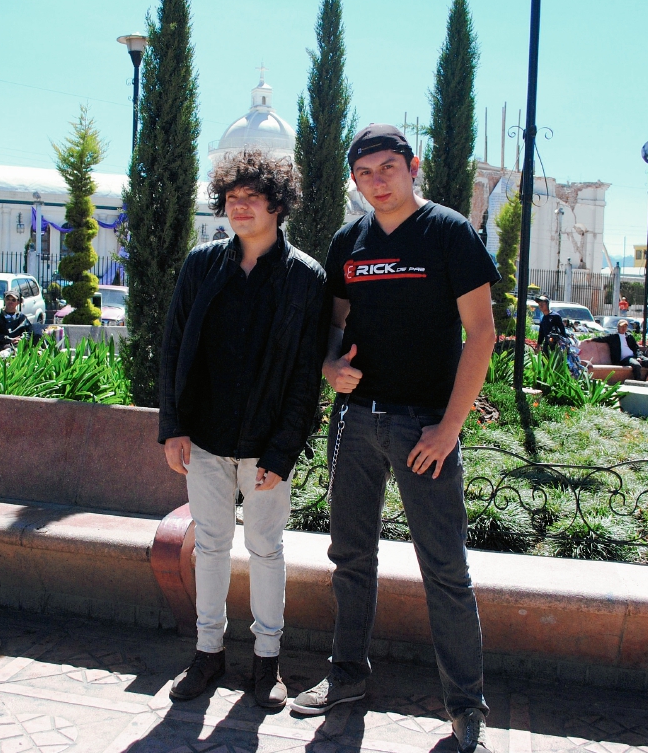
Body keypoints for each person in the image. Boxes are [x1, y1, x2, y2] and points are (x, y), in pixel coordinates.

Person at [296, 124, 498, 753]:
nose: (377, 182)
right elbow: (331, 326)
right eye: (364, 174)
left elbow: (482, 335)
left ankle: (466, 708)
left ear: (414, 167)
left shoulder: (449, 234)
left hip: (422, 428)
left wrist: (449, 428)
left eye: (388, 168)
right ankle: (347, 679)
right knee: (350, 560)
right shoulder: (347, 243)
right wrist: (330, 367)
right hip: (356, 424)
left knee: (445, 570)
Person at [157, 149, 325, 709]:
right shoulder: (203, 264)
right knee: (208, 546)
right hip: (204, 438)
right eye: (232, 198)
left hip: (266, 446)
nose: (240, 207)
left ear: (278, 204)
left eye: (252, 198)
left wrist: (284, 449)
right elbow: (175, 347)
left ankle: (266, 664)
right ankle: (208, 655)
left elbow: (305, 375)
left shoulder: (305, 278)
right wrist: (174, 427)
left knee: (265, 550)